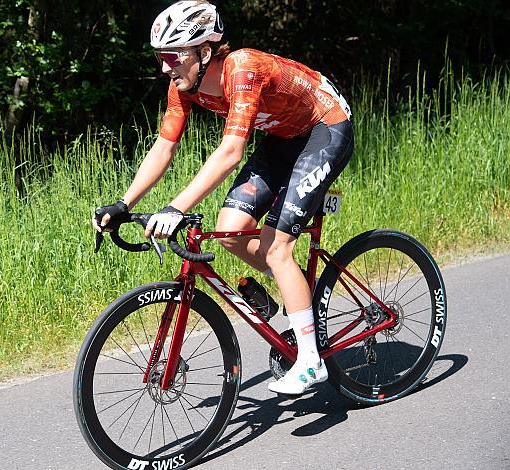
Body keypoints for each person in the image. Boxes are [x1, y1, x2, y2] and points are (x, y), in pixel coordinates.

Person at [92, 0, 353, 395]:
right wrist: (123, 203)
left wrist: (177, 207)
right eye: (161, 57)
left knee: (277, 247)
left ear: (205, 51)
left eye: (172, 56)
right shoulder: (183, 86)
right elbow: (164, 148)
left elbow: (231, 152)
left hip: (325, 130)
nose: (165, 66)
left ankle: (311, 361)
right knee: (229, 232)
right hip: (283, 139)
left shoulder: (243, 68)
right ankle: (296, 290)